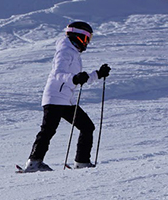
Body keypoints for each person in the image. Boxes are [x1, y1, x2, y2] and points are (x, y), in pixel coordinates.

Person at [21, 20, 110, 171]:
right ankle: (34, 163)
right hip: (55, 97)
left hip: (67, 100)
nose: (88, 41)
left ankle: (82, 162)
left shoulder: (73, 53)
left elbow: (79, 77)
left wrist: (98, 74)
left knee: (87, 127)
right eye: (87, 37)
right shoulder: (65, 51)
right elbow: (58, 74)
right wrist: (74, 78)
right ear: (79, 36)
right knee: (48, 130)